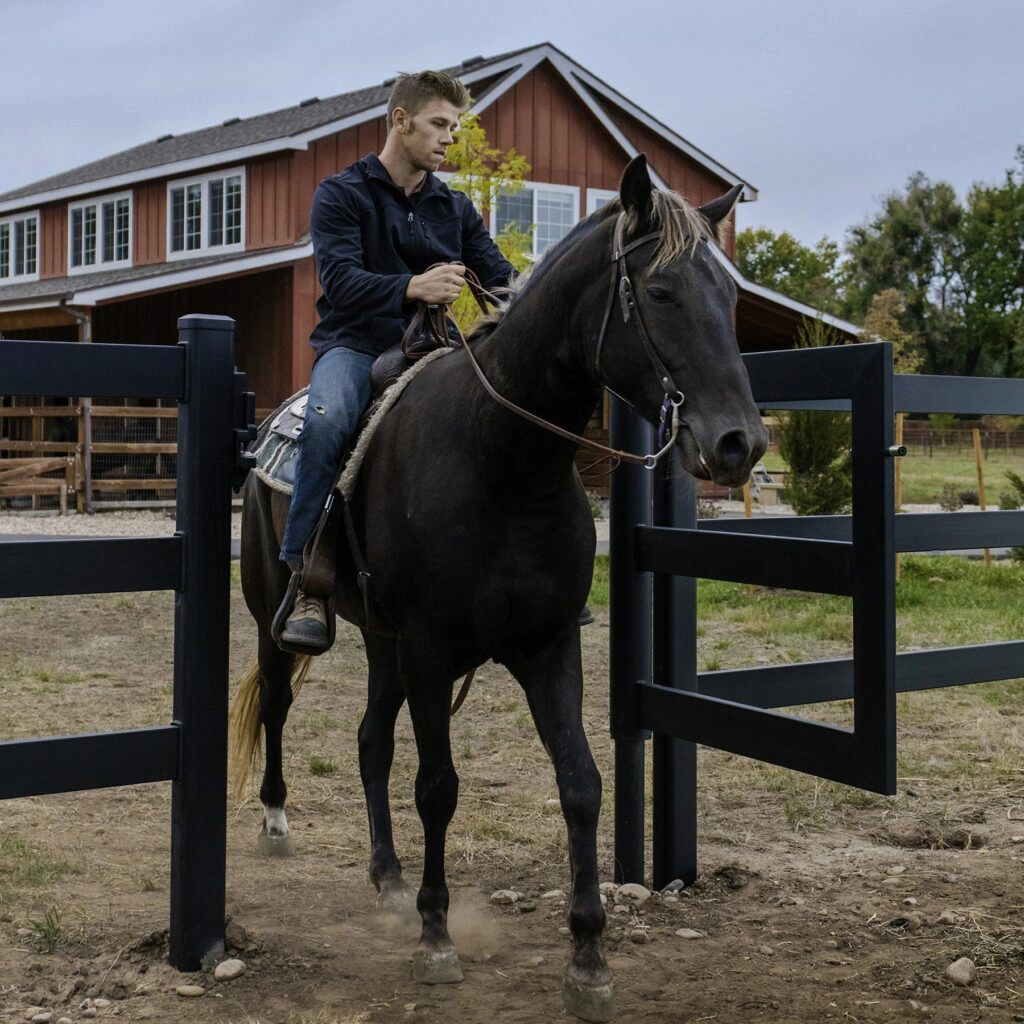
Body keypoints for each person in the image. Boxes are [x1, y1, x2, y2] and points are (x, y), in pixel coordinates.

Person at [278, 70, 514, 652]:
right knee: (328, 422)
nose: (448, 138)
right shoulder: (340, 194)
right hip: (355, 346)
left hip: (436, 349)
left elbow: (503, 280)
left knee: (507, 416)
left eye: (454, 128)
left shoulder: (453, 208)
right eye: (439, 124)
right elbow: (339, 281)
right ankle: (307, 578)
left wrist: (531, 299)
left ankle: (523, 571)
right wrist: (414, 286)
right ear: (400, 120)